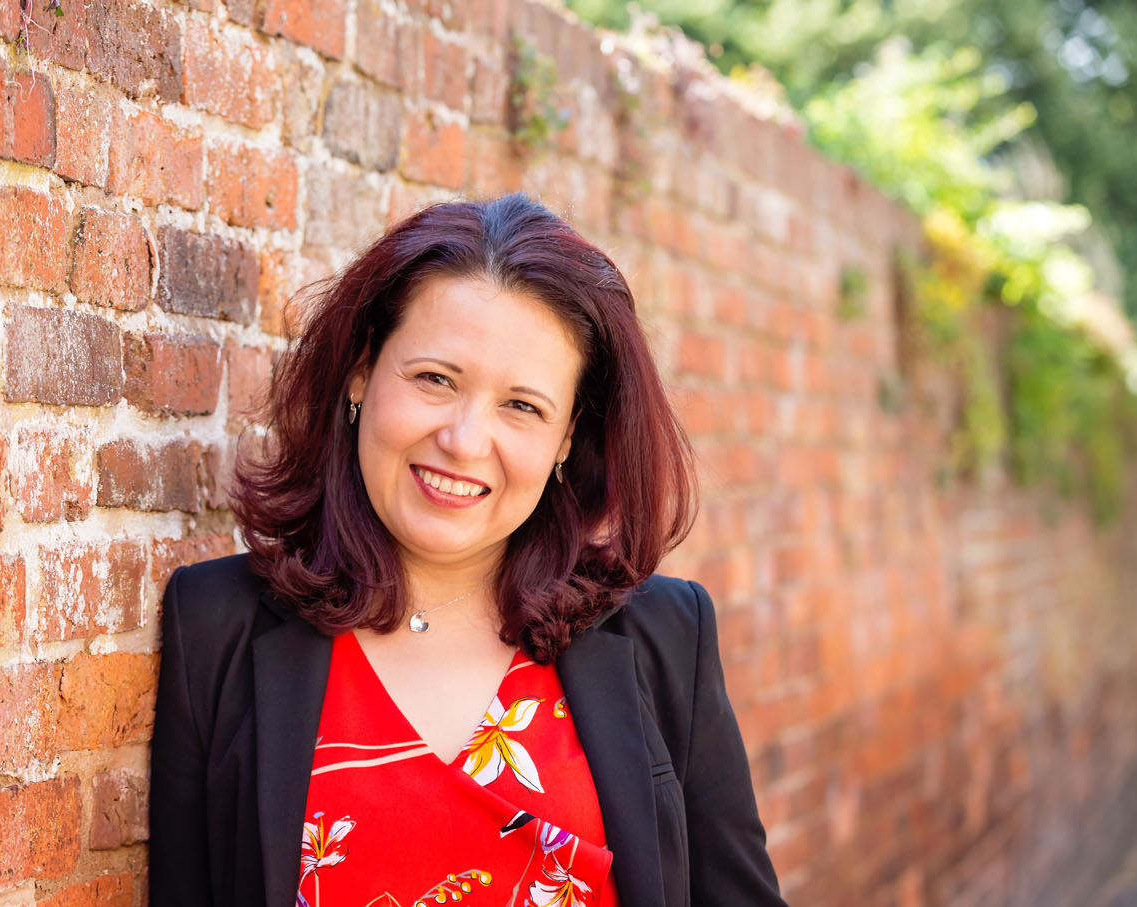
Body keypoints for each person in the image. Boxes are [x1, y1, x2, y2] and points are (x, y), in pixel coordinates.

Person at [149, 194, 786, 907]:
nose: (463, 438)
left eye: (522, 406)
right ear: (362, 370)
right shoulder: (214, 627)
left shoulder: (665, 634)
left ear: (568, 436)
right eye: (434, 379)